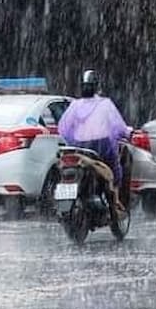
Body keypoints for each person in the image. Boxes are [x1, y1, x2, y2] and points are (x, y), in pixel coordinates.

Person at [57, 70, 131, 210]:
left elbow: (63, 127)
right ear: (97, 86)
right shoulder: (105, 104)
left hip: (80, 149)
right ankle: (115, 201)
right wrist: (127, 133)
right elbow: (118, 126)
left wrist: (74, 141)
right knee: (115, 170)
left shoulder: (75, 105)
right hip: (101, 147)